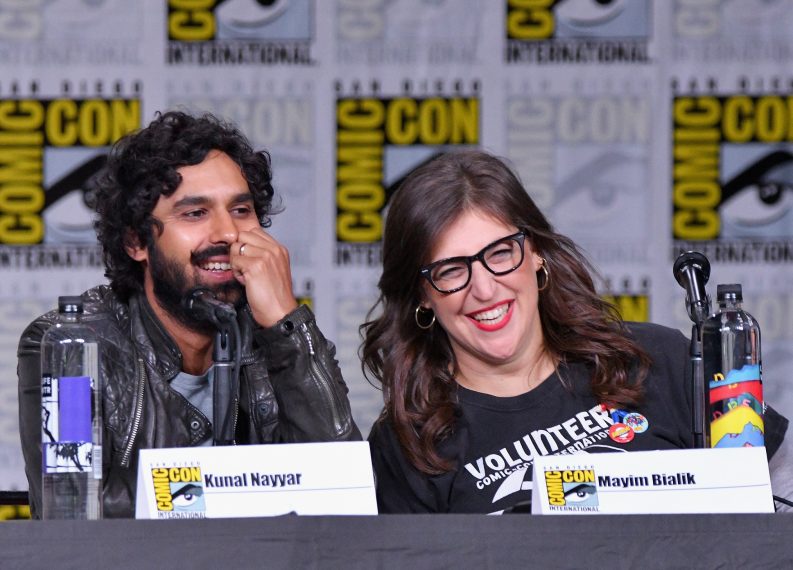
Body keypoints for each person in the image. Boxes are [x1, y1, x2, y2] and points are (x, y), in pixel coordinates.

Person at [361, 149, 792, 514]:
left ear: (537, 255)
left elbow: (780, 494)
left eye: (500, 253)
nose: (485, 288)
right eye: (451, 270)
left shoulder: (656, 358)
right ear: (422, 295)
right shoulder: (407, 446)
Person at [18, 111, 360, 518]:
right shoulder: (70, 345)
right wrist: (234, 489)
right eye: (195, 213)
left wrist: (286, 324)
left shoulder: (280, 341)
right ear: (136, 242)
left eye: (241, 210)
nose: (227, 234)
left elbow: (344, 496)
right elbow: (73, 506)